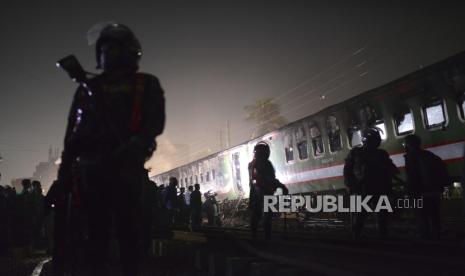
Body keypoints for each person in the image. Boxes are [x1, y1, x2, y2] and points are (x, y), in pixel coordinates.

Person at [55, 23, 165, 276]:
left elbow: (153, 123)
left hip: (127, 168)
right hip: (91, 170)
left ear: (128, 51)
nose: (107, 53)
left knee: (131, 235)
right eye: (103, 48)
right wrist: (65, 173)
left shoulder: (145, 84)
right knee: (94, 236)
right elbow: (72, 134)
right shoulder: (86, 89)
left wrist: (136, 146)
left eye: (113, 47)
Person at [343, 128, 398, 239]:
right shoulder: (377, 154)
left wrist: (351, 184)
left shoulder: (359, 153)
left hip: (371, 188)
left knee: (371, 215)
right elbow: (348, 171)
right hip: (367, 188)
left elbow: (348, 171)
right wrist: (351, 184)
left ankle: (363, 236)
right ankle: (359, 236)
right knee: (365, 215)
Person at [403, 134, 451, 240]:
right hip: (433, 192)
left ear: (408, 145)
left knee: (422, 218)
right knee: (435, 217)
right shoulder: (429, 155)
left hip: (419, 194)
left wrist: (409, 193)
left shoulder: (410, 158)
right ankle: (438, 240)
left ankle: (427, 243)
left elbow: (411, 178)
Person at [248, 141, 288, 240]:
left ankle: (254, 237)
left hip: (255, 193)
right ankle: (267, 238)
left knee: (256, 215)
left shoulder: (251, 164)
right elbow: (269, 179)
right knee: (267, 215)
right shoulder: (265, 163)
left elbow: (255, 180)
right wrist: (281, 186)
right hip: (265, 192)